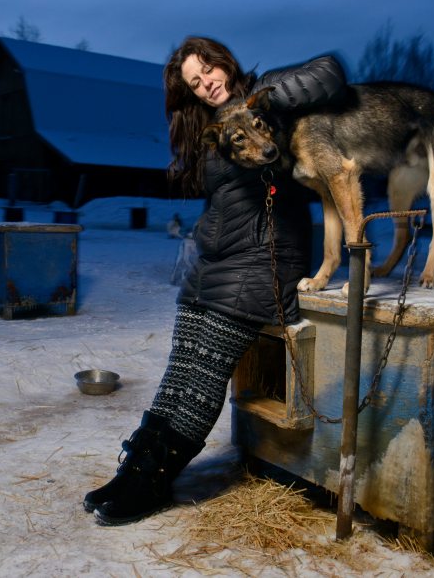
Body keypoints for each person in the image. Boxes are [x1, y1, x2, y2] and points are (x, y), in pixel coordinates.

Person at [86, 36, 347, 526]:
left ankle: (156, 479)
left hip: (263, 266)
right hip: (216, 268)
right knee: (179, 371)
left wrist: (267, 98)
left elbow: (330, 72)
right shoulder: (210, 129)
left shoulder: (262, 101)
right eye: (194, 82)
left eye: (208, 70)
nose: (206, 83)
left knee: (204, 379)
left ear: (223, 62)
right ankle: (136, 468)